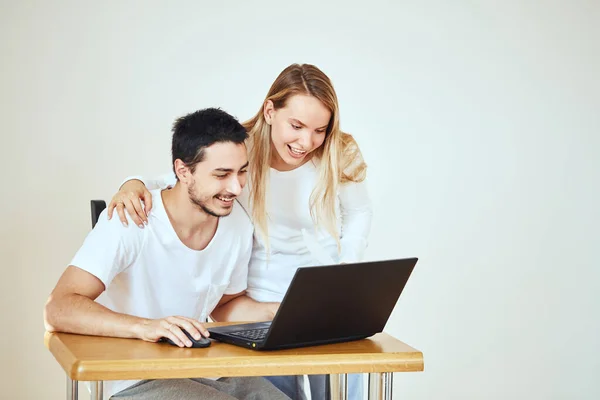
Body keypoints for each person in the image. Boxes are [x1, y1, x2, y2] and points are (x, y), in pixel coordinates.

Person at [108, 63, 372, 400]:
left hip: (324, 296)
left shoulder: (337, 150)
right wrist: (132, 184)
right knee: (277, 391)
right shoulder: (241, 149)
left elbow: (360, 211)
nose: (307, 141)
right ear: (270, 110)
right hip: (258, 300)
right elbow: (186, 178)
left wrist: (347, 266)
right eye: (296, 125)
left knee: (346, 385)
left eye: (320, 129)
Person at [43, 108, 289, 400]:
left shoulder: (237, 226)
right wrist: (145, 327)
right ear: (183, 171)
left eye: (242, 171)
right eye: (222, 175)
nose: (235, 187)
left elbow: (224, 306)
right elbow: (58, 308)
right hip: (135, 378)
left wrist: (282, 312)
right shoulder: (131, 219)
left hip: (207, 369)